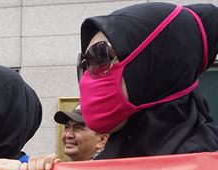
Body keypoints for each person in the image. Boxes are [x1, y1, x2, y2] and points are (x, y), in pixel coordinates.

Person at [77, 2, 218, 159]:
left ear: (159, 66)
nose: (86, 78)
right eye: (85, 63)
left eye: (100, 57)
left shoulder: (208, 167)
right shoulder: (105, 160)